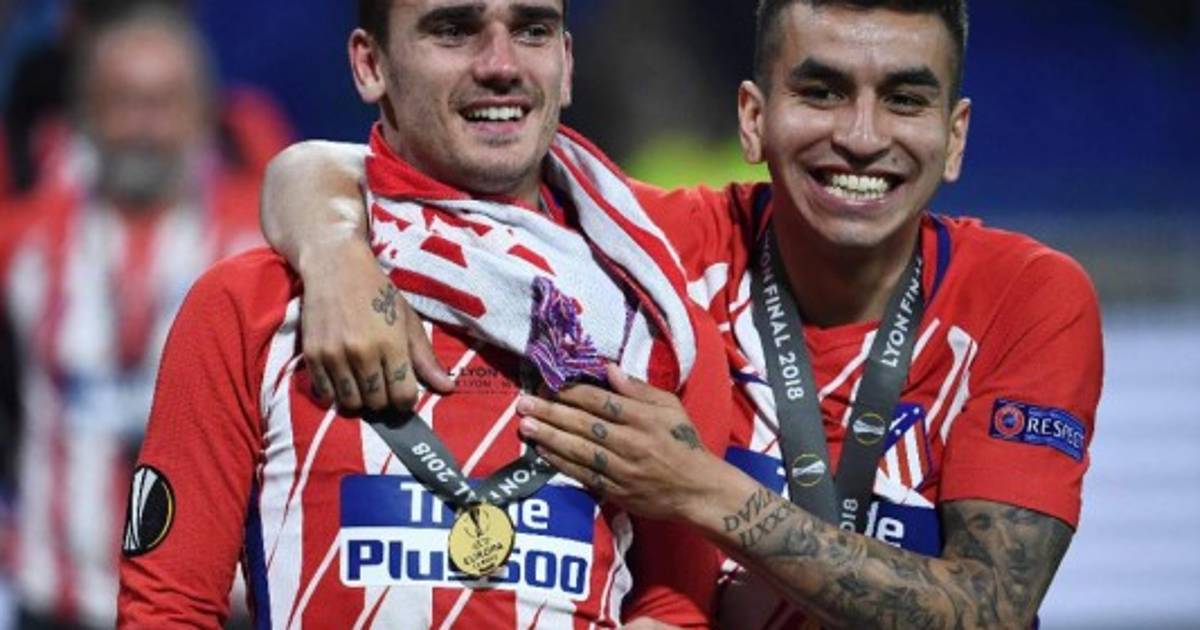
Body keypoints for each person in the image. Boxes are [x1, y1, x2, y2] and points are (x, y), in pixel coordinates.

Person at [257, 0, 1104, 628]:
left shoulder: (1026, 298)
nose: (860, 135)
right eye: (821, 92)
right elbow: (340, 168)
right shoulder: (654, 252)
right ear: (753, 118)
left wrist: (701, 489)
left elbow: (990, 609)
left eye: (905, 100)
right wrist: (336, 256)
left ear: (955, 137)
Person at [118, 0, 733, 627]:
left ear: (566, 64)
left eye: (532, 31)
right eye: (454, 31)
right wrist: (334, 253)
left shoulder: (655, 330)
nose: (501, 65)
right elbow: (168, 609)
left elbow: (674, 605)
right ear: (370, 65)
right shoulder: (252, 308)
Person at [0, 5, 270, 628]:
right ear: (84, 115)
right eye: (122, 101)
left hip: (212, 611)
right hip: (56, 603)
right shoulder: (24, 241)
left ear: (203, 114)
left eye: (165, 102)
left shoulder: (259, 246)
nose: (144, 125)